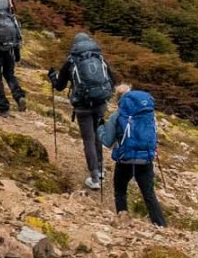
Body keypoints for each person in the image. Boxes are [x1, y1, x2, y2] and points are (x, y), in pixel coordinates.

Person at [48, 31, 114, 190]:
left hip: (82, 106)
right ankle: (100, 170)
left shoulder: (71, 61)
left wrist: (52, 77)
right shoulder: (100, 58)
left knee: (88, 139)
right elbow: (112, 80)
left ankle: (94, 176)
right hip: (100, 103)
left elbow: (59, 86)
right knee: (98, 135)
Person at [105, 84, 166, 227]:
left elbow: (107, 141)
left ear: (118, 99)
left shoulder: (117, 116)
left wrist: (100, 127)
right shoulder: (147, 113)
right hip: (145, 159)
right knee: (149, 194)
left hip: (125, 159)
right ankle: (161, 225)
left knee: (120, 191)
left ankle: (123, 220)